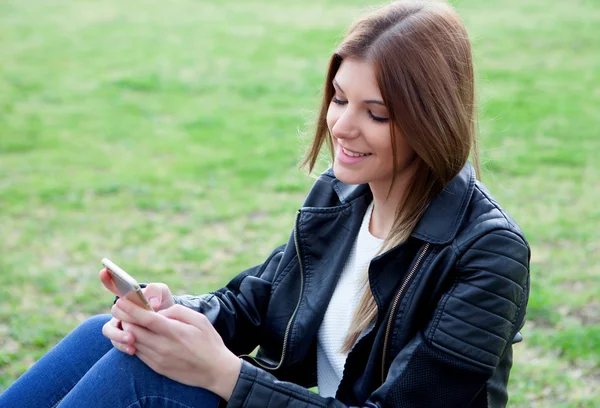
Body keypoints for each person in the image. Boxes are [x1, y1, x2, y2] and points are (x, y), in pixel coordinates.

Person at [0, 1, 530, 407]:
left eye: (378, 113)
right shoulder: (343, 195)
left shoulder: (488, 253)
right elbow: (255, 304)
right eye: (340, 99)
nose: (341, 125)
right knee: (106, 336)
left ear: (432, 118)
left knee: (134, 374)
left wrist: (225, 376)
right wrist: (173, 310)